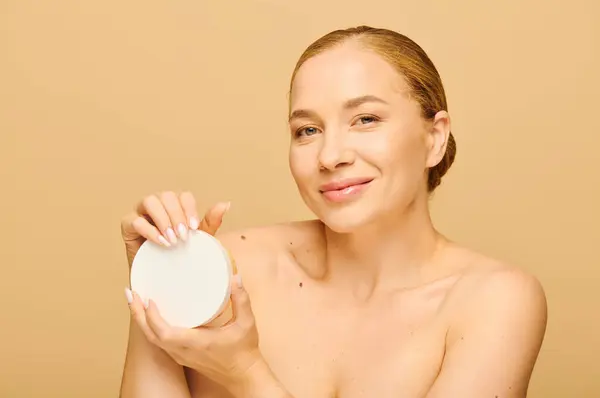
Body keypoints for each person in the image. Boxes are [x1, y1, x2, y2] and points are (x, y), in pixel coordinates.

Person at [118, 25, 548, 398]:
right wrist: (156, 284)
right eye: (308, 130)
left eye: (365, 119)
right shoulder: (230, 272)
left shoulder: (494, 302)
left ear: (435, 138)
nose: (331, 155)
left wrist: (246, 373)